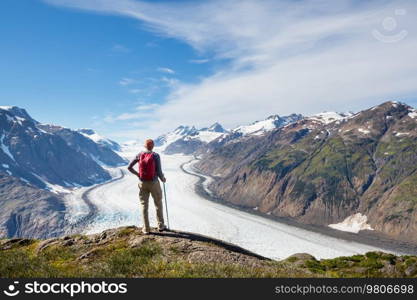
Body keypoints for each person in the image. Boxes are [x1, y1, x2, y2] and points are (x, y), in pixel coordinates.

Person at [127, 139, 167, 234]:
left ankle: (146, 229)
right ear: (152, 146)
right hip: (154, 183)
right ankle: (160, 225)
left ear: (144, 146)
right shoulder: (156, 156)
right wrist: (163, 179)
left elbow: (129, 167)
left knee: (144, 205)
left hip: (142, 183)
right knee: (158, 203)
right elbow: (159, 171)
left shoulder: (139, 154)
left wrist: (138, 174)